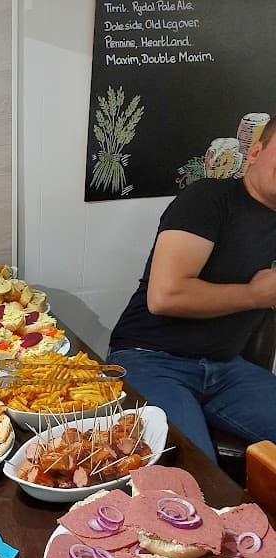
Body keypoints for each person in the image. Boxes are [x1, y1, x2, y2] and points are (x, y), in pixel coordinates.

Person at [108, 116, 276, 461]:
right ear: (256, 152)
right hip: (148, 359)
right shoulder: (208, 199)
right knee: (192, 475)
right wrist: (257, 295)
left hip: (228, 369)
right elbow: (165, 296)